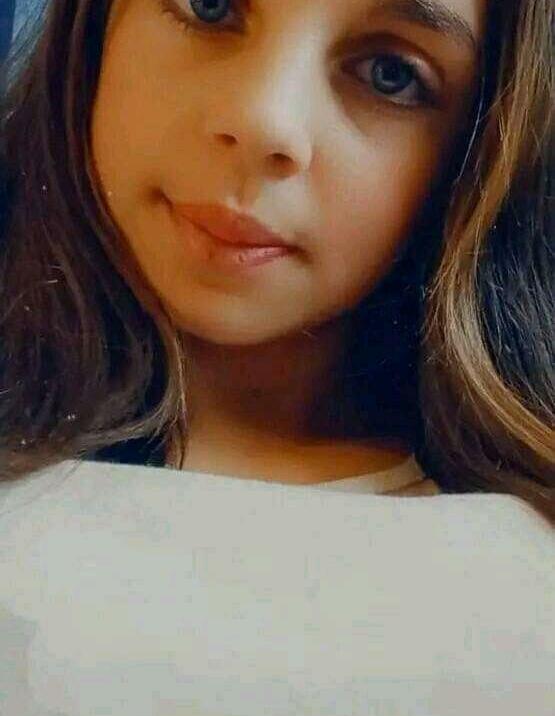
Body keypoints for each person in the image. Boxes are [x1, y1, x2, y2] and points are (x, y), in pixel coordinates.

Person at [0, 0, 553, 519]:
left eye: (389, 73)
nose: (261, 119)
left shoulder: (515, 552)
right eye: (210, 6)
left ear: (482, 153)